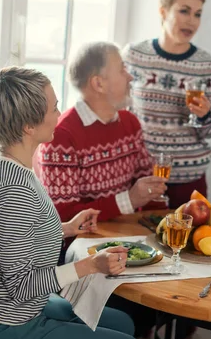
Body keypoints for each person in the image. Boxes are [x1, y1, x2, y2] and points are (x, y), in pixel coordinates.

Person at [0, 66, 142, 339]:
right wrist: (90, 266)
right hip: (3, 327)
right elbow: (21, 286)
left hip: (19, 309)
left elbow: (18, 239)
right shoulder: (13, 191)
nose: (60, 114)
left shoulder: (9, 162)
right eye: (54, 107)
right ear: (29, 126)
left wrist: (67, 228)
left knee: (123, 323)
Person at [36, 42, 167, 226]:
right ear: (98, 83)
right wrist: (129, 200)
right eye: (122, 70)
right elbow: (65, 217)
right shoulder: (60, 136)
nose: (130, 77)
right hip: (85, 246)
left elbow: (148, 191)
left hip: (129, 237)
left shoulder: (130, 122)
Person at [122, 0, 211, 208]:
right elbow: (120, 114)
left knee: (186, 243)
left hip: (189, 180)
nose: (192, 21)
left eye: (198, 14)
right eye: (184, 11)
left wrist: (205, 115)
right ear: (163, 11)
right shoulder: (134, 55)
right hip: (141, 179)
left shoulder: (209, 65)